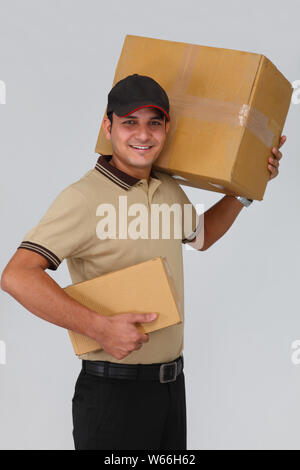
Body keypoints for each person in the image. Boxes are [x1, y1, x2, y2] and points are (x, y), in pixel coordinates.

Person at [0, 74, 286, 450]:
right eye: (129, 122)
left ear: (167, 128)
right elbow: (16, 276)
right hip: (112, 395)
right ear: (108, 126)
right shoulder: (83, 198)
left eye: (154, 123)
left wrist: (249, 185)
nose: (143, 135)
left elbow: (202, 236)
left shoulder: (167, 188)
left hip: (170, 390)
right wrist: (98, 327)